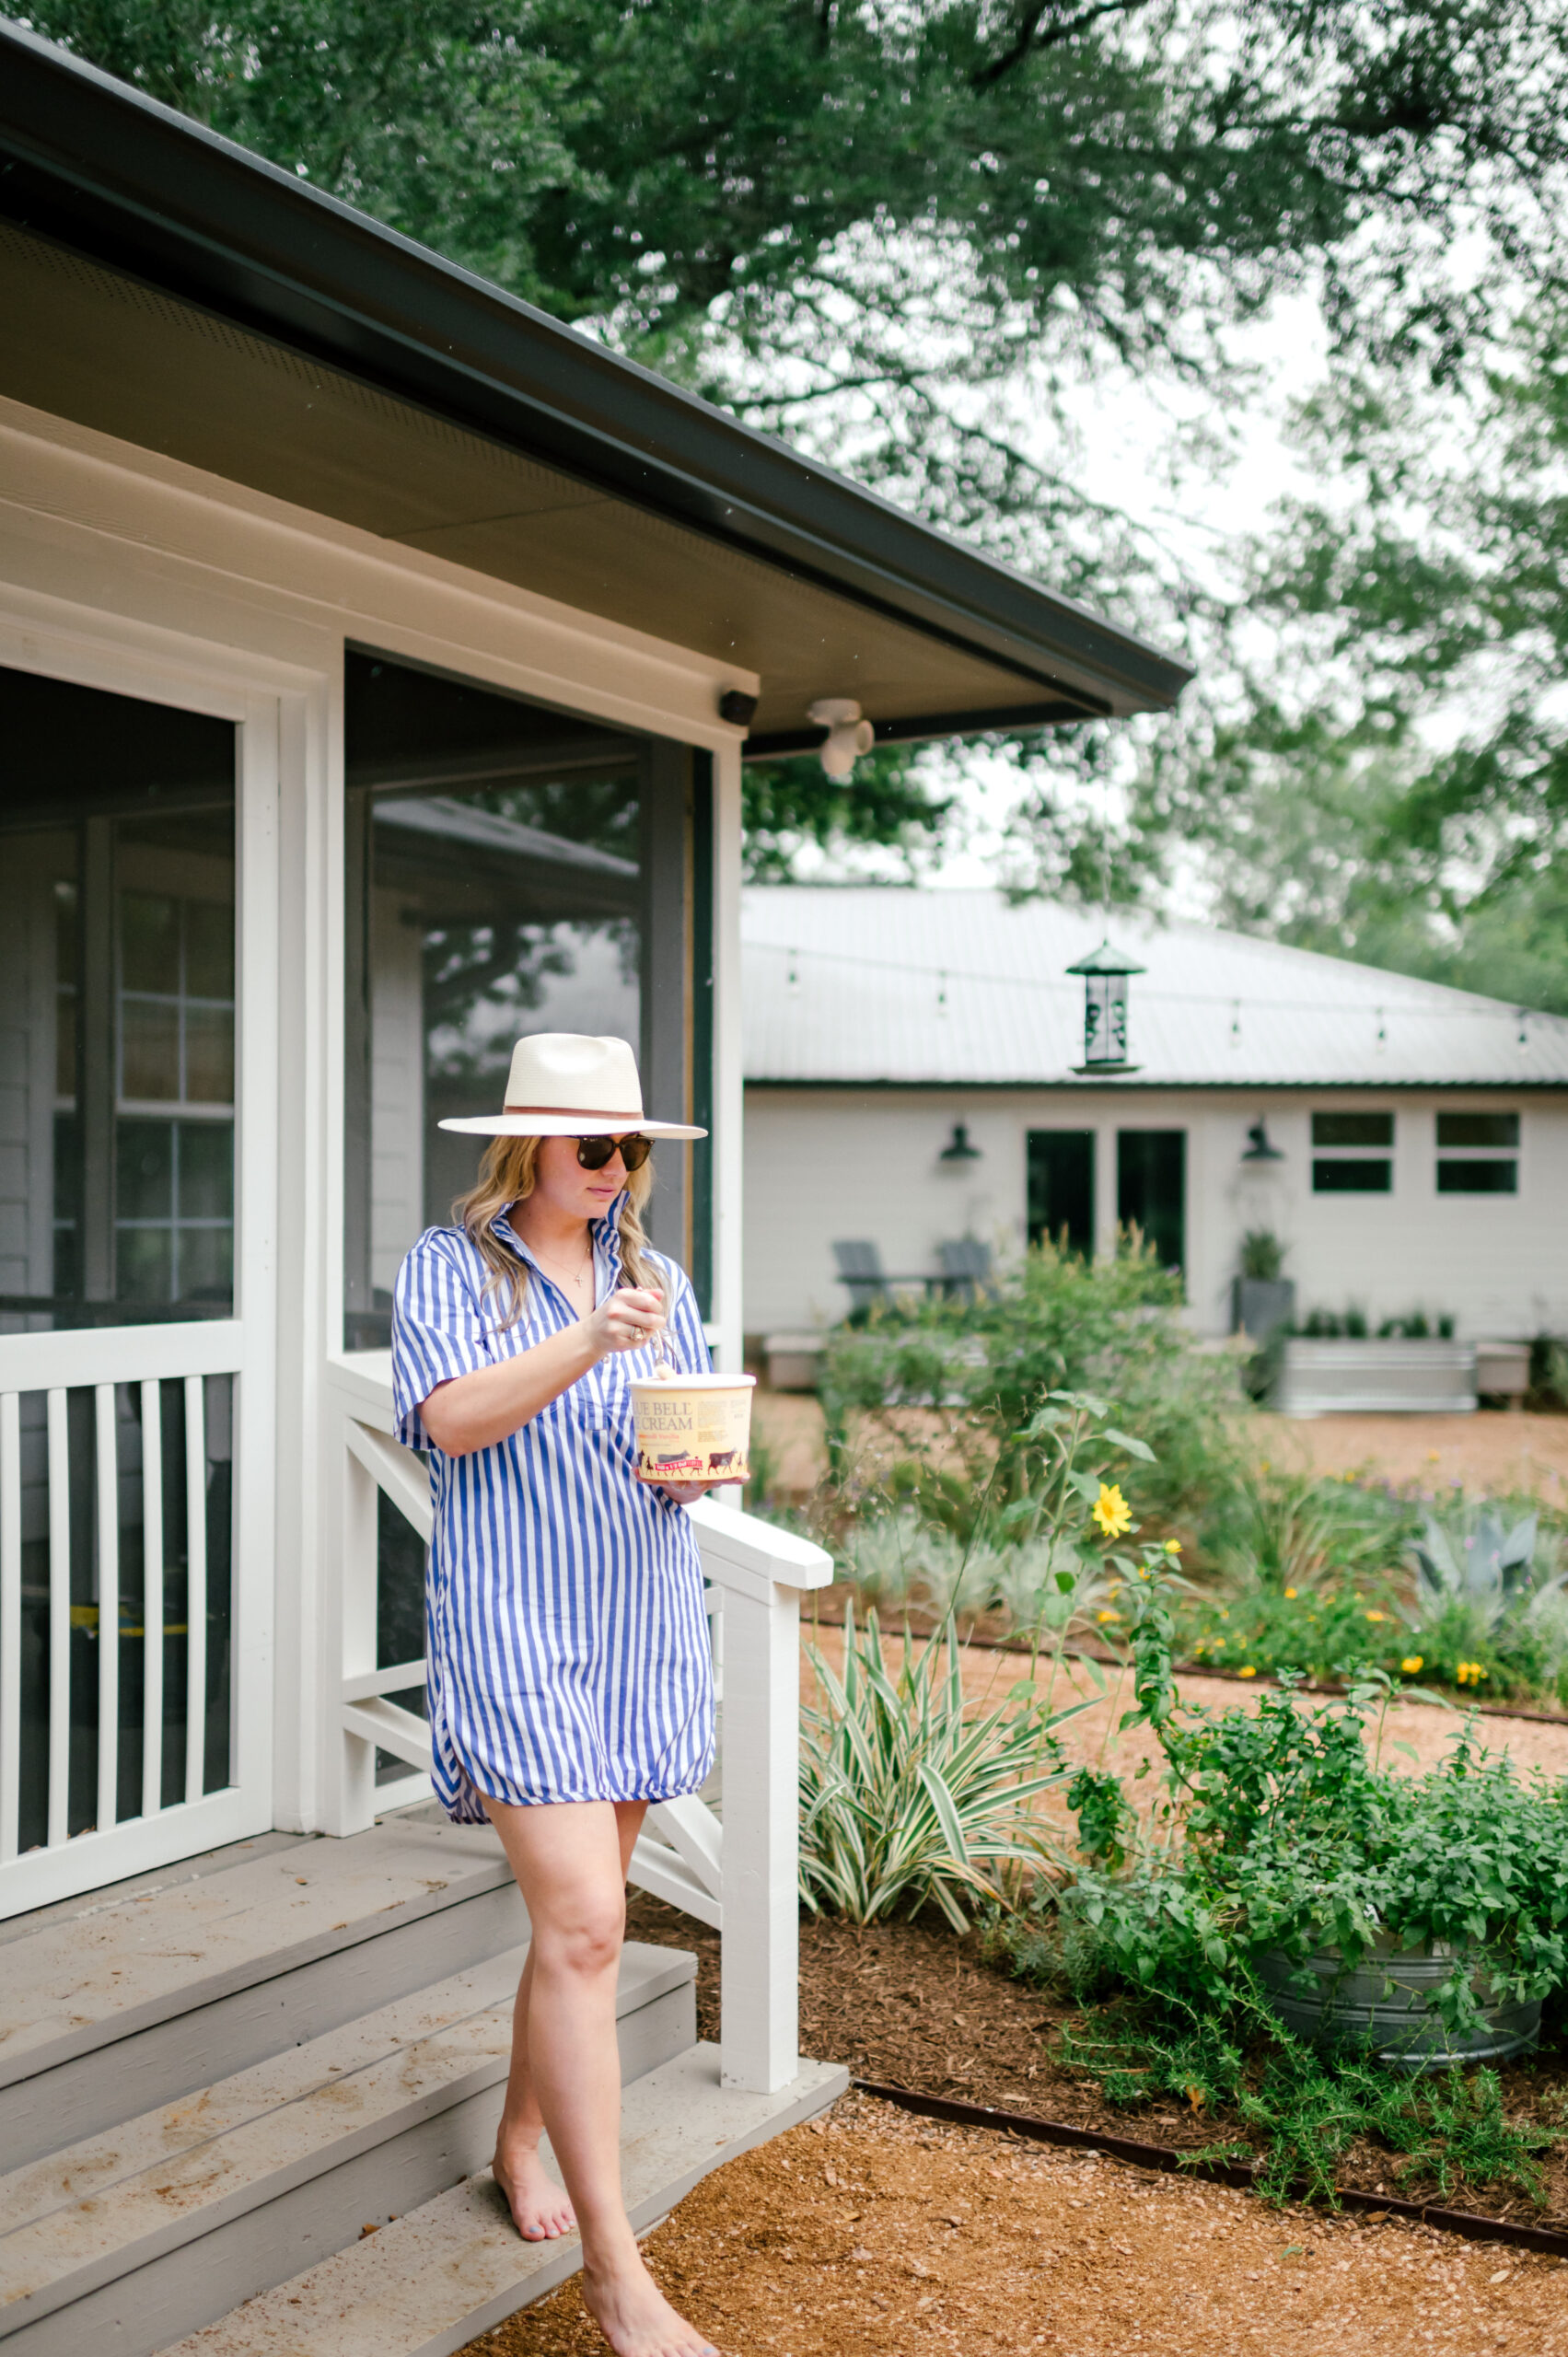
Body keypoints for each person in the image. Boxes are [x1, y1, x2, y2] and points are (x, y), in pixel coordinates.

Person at [391, 1032, 723, 2357]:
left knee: (577, 1938)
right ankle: (616, 2271)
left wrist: (696, 1468)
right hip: (518, 1632)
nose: (616, 1171)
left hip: (639, 1625)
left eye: (632, 1149)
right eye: (594, 1147)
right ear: (528, 1145)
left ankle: (518, 2140)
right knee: (587, 1924)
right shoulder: (452, 1265)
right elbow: (452, 1420)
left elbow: (683, 1433)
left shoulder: (662, 1276)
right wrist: (589, 1337)